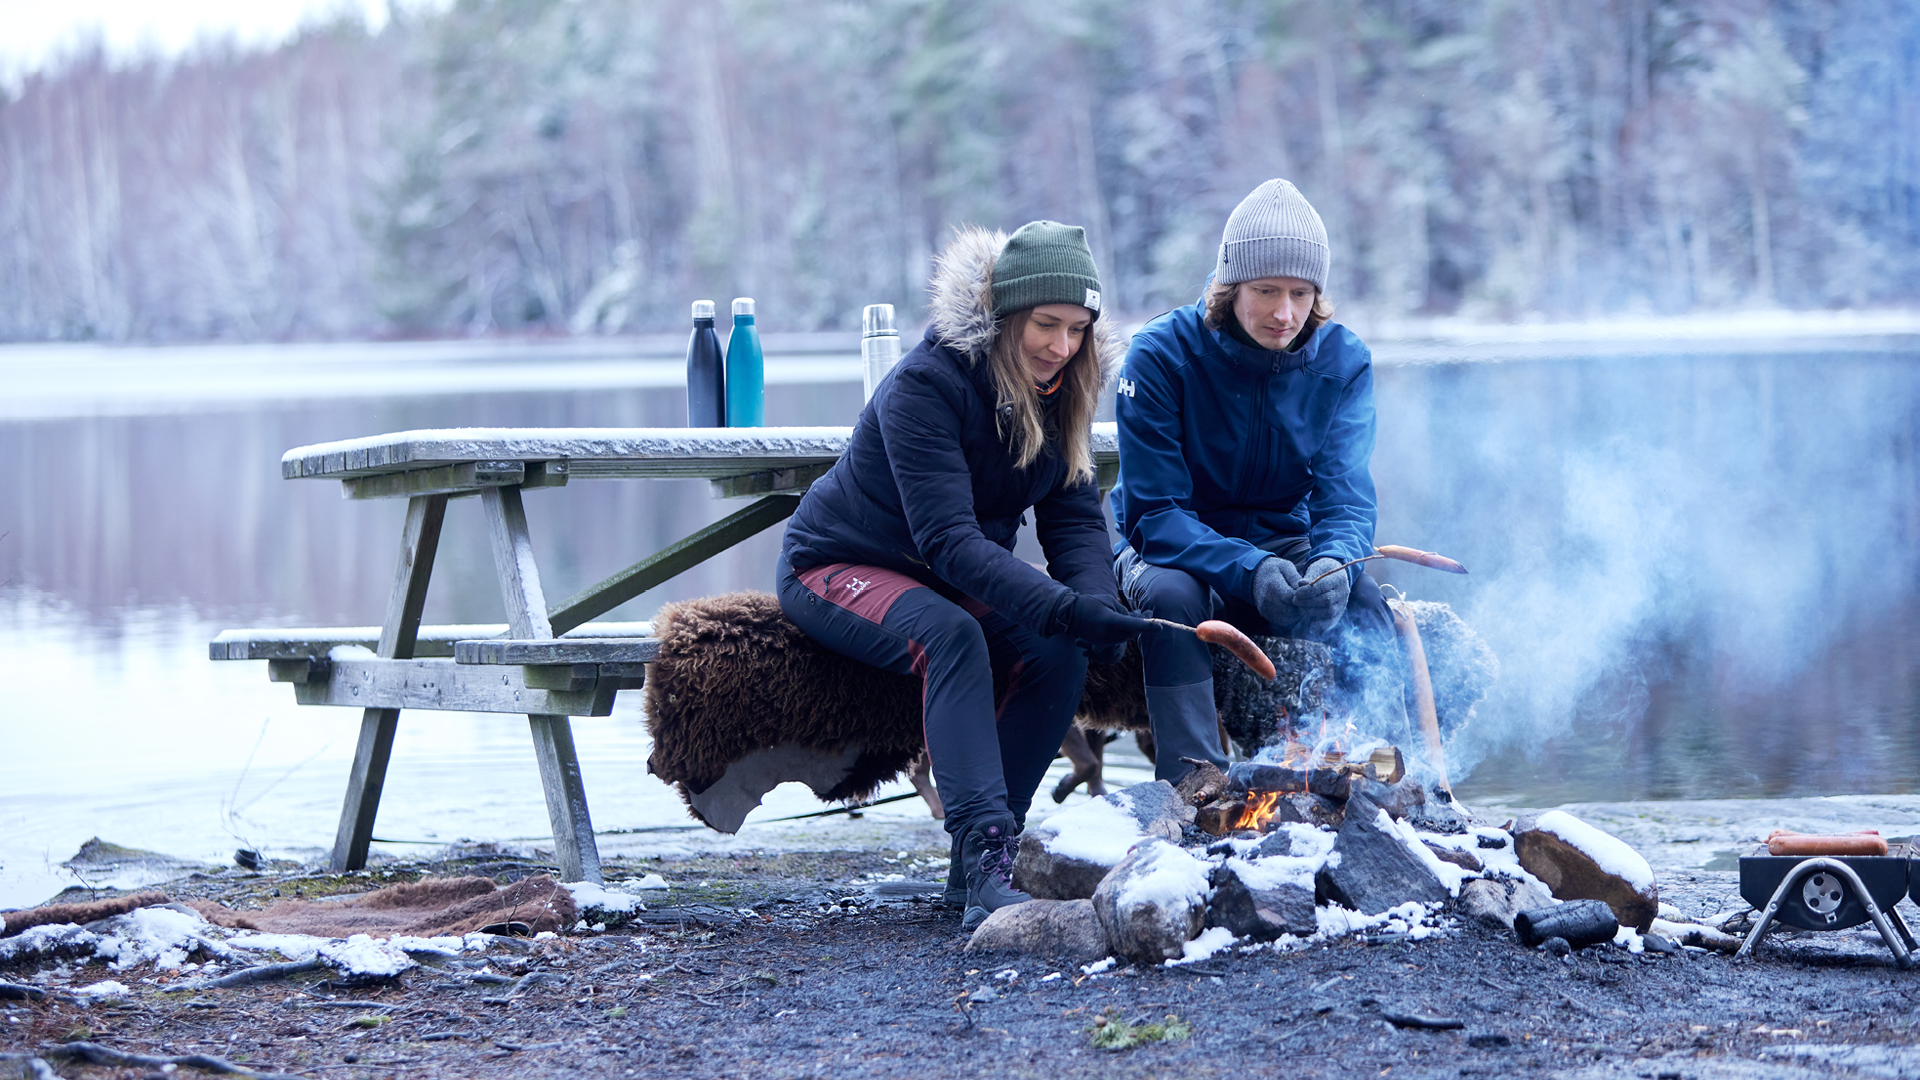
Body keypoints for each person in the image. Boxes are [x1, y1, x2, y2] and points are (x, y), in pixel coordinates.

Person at [778, 221, 1156, 930]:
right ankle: (984, 856)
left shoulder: (1063, 390)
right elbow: (949, 541)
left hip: (940, 579)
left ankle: (980, 871)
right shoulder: (928, 384)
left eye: (1078, 329)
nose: (1061, 347)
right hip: (836, 566)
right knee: (952, 636)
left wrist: (1095, 608)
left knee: (1057, 649)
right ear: (1007, 315)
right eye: (1046, 324)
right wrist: (1063, 605)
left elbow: (1072, 518)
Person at [1112, 179, 1402, 781]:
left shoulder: (1344, 363)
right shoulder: (1161, 355)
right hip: (1166, 550)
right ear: (1229, 285)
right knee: (1173, 604)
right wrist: (1252, 571)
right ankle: (1196, 785)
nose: (1284, 312)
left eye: (1300, 292)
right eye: (1266, 290)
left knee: (1365, 599)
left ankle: (1384, 777)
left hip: (1282, 541)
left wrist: (1332, 564)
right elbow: (1154, 513)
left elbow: (1345, 499)